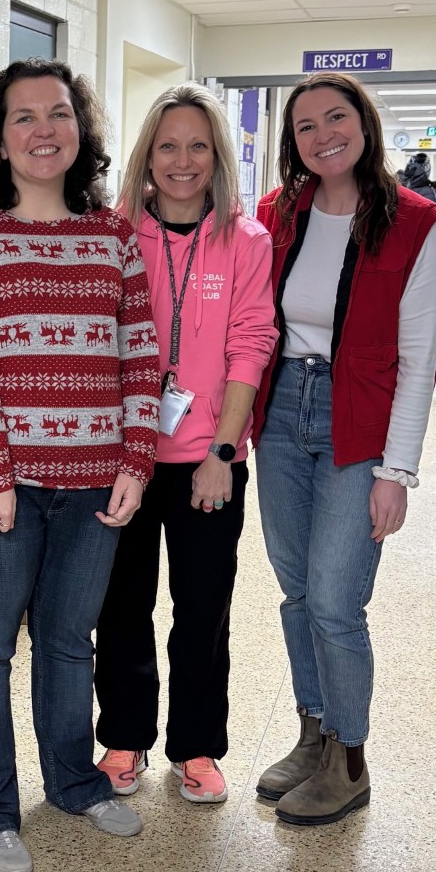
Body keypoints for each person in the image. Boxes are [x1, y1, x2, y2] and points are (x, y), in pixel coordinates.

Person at [0, 59, 160, 872]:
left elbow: (141, 354)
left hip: (94, 479)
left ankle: (73, 782)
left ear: (80, 130)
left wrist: (137, 459)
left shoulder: (113, 235)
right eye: (22, 117)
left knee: (67, 643)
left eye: (58, 113)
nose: (42, 130)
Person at [251, 72, 436, 826]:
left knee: (336, 599)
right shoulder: (277, 213)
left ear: (364, 125)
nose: (323, 135)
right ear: (292, 142)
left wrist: (397, 471)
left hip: (358, 420)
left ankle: (351, 757)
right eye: (305, 125)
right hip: (281, 414)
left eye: (336, 117)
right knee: (297, 590)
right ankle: (314, 734)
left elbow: (420, 358)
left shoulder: (415, 223)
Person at [93, 85, 277, 808]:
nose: (182, 160)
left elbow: (250, 345)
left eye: (198, 145)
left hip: (209, 461)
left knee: (202, 611)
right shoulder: (115, 232)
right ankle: (124, 736)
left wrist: (222, 454)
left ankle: (196, 747)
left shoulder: (245, 239)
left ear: (217, 156)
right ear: (147, 156)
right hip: (124, 461)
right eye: (167, 145)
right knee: (122, 607)